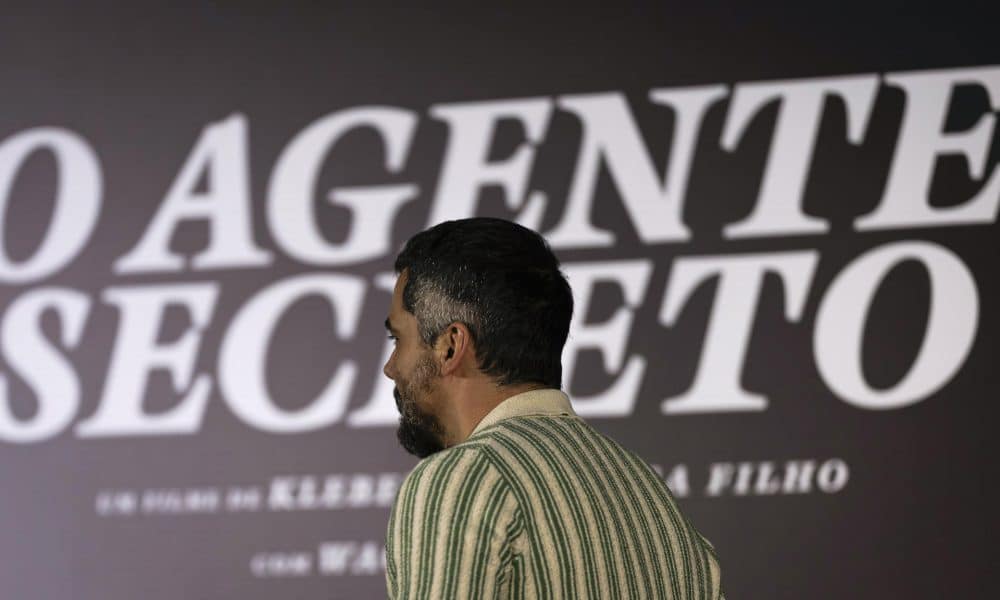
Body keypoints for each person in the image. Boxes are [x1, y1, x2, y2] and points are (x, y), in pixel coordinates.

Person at [383, 217, 723, 599]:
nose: (390, 367)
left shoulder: (458, 480)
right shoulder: (647, 497)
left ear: (450, 345)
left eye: (397, 338)